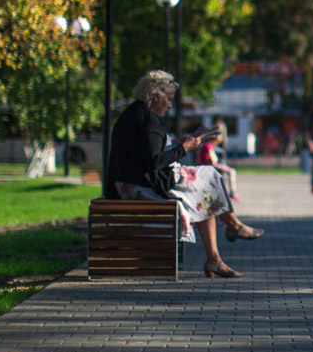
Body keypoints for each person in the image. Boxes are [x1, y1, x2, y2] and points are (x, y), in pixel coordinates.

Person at [105, 70, 263, 279]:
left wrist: (176, 144)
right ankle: (231, 227)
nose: (170, 105)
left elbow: (146, 152)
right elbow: (154, 162)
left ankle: (216, 256)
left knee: (205, 191)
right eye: (169, 99)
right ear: (156, 95)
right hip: (140, 187)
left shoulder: (134, 113)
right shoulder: (149, 120)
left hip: (129, 183)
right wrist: (184, 148)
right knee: (209, 177)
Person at [196, 128, 243, 203]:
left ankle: (226, 192)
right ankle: (232, 192)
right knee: (231, 171)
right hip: (209, 166)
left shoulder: (203, 146)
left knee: (224, 173)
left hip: (204, 166)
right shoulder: (208, 146)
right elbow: (213, 160)